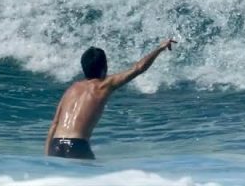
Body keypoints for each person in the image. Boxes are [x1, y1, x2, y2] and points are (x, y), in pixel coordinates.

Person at [45, 38, 176, 159]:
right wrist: (160, 48)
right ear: (104, 67)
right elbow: (138, 68)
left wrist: (47, 156)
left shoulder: (71, 89)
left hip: (55, 144)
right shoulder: (104, 85)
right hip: (77, 145)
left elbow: (54, 124)